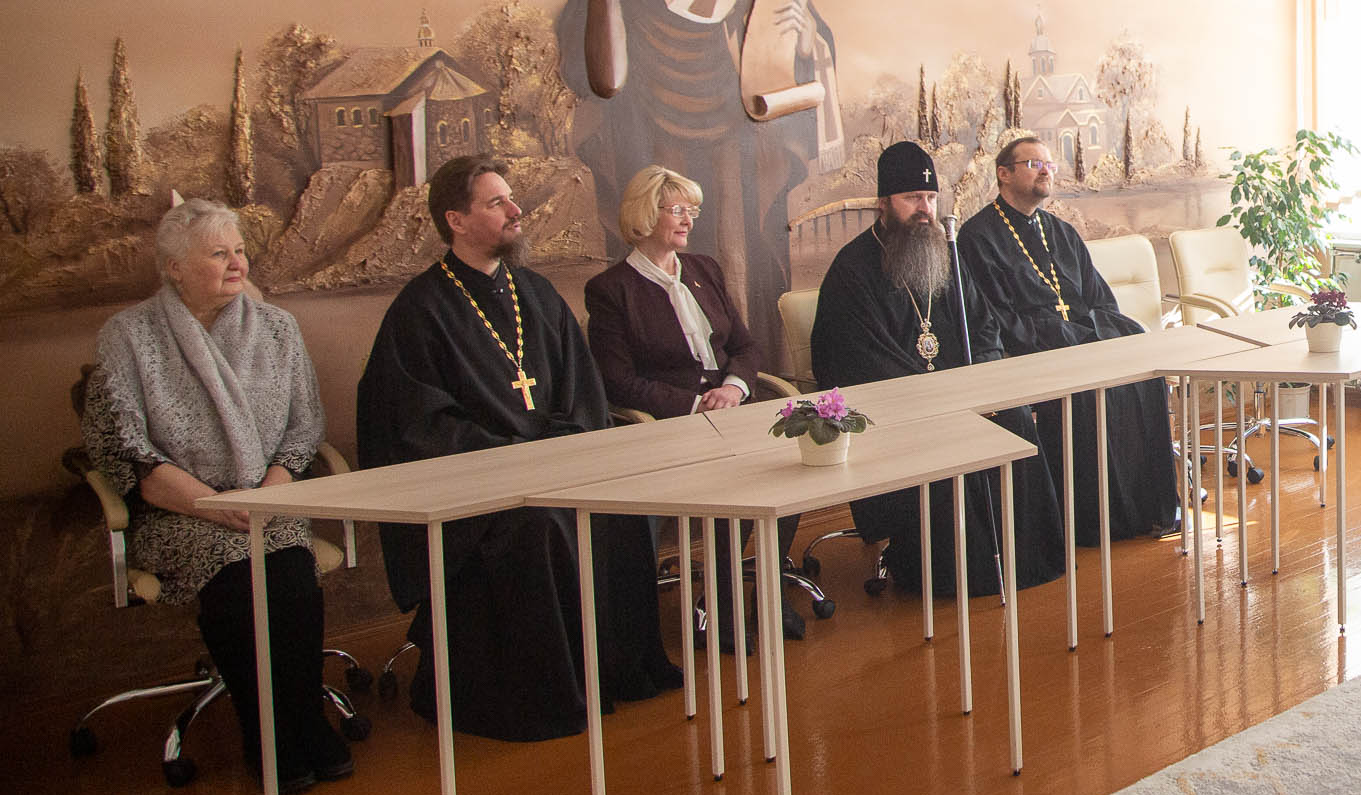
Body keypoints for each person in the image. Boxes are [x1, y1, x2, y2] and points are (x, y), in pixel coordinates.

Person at [355, 155, 680, 741]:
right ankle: (552, 695)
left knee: (625, 510)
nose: (516, 209)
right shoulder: (420, 311)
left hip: (556, 463)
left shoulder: (536, 293)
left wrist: (564, 442)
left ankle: (619, 672)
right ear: (456, 220)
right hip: (480, 488)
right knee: (542, 527)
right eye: (496, 202)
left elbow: (582, 389)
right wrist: (514, 453)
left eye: (512, 198)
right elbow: (416, 423)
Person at [551, 0, 845, 356]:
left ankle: (750, 376)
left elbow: (801, 41)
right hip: (648, 139)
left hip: (738, 149)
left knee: (744, 266)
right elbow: (598, 74)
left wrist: (806, 40)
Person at [84, 199, 349, 793]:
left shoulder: (277, 328)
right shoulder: (128, 336)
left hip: (268, 502)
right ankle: (268, 736)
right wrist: (212, 503)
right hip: (178, 509)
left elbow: (303, 429)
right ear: (174, 267)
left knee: (291, 576)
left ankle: (305, 719)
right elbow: (125, 448)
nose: (236, 264)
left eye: (239, 251)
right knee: (235, 579)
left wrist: (266, 497)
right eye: (218, 253)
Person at [809, 142, 1065, 596]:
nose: (924, 209)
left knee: (1016, 420)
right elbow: (854, 359)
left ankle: (1027, 560)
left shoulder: (947, 255)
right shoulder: (851, 271)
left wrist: (980, 384)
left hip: (961, 396)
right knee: (945, 438)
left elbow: (984, 330)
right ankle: (952, 573)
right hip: (899, 410)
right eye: (912, 198)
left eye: (930, 198)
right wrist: (939, 396)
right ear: (883, 203)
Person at [583, 163, 804, 643]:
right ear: (646, 214)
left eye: (693, 211)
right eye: (678, 210)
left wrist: (734, 389)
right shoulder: (611, 290)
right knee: (731, 482)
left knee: (794, 470)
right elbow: (617, 381)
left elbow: (745, 347)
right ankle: (719, 604)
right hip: (669, 423)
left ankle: (769, 592)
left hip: (732, 408)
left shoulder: (705, 269)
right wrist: (693, 405)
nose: (688, 220)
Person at [959, 135, 1178, 543]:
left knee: (1141, 363)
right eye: (1033, 164)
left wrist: (1096, 331)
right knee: (1084, 385)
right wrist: (1064, 335)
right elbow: (994, 317)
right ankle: (1094, 520)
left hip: (1080, 338)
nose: (1045, 171)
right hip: (1030, 352)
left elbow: (1100, 299)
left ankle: (1151, 506)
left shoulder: (1061, 232)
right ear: (1003, 174)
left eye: (1049, 165)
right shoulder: (978, 237)